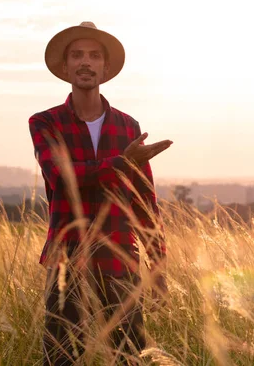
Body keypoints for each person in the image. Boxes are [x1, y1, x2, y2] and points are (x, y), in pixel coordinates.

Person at [29, 21, 172, 365]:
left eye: (94, 56)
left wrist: (158, 263)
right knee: (62, 359)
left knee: (128, 358)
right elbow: (61, 176)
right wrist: (122, 162)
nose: (85, 63)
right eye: (77, 55)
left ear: (106, 69)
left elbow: (144, 202)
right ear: (64, 68)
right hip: (66, 259)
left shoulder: (128, 127)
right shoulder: (45, 122)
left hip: (119, 258)